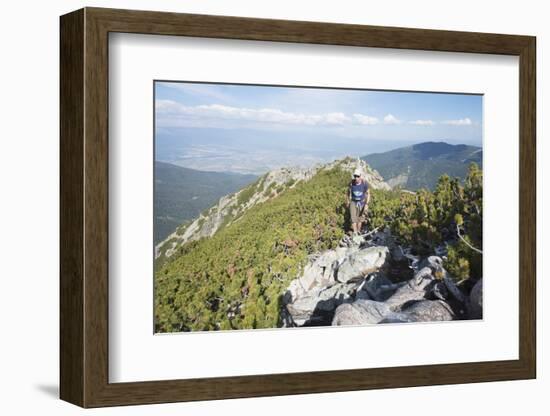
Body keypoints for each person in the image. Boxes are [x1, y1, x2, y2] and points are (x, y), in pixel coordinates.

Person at [346, 168, 370, 235]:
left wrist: (366, 204)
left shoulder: (364, 183)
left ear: (360, 176)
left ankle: (358, 231)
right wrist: (347, 201)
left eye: (358, 176)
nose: (356, 178)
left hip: (362, 202)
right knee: (353, 218)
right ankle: (355, 232)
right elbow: (348, 192)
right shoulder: (351, 183)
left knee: (360, 219)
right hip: (353, 202)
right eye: (355, 176)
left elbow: (368, 193)